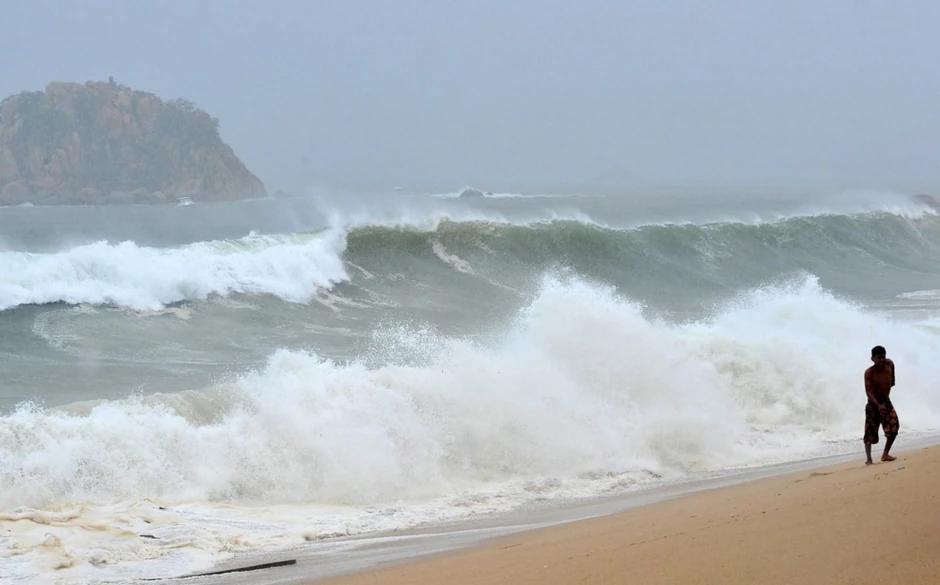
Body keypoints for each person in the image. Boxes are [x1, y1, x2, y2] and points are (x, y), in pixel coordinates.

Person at [863, 345, 899, 465]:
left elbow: (892, 381)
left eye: (883, 357)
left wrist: (884, 399)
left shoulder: (889, 364)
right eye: (878, 358)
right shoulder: (869, 373)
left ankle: (885, 454)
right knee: (870, 431)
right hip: (873, 403)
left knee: (894, 426)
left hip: (886, 401)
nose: (881, 360)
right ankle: (868, 459)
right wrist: (878, 405)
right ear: (872, 359)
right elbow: (868, 392)